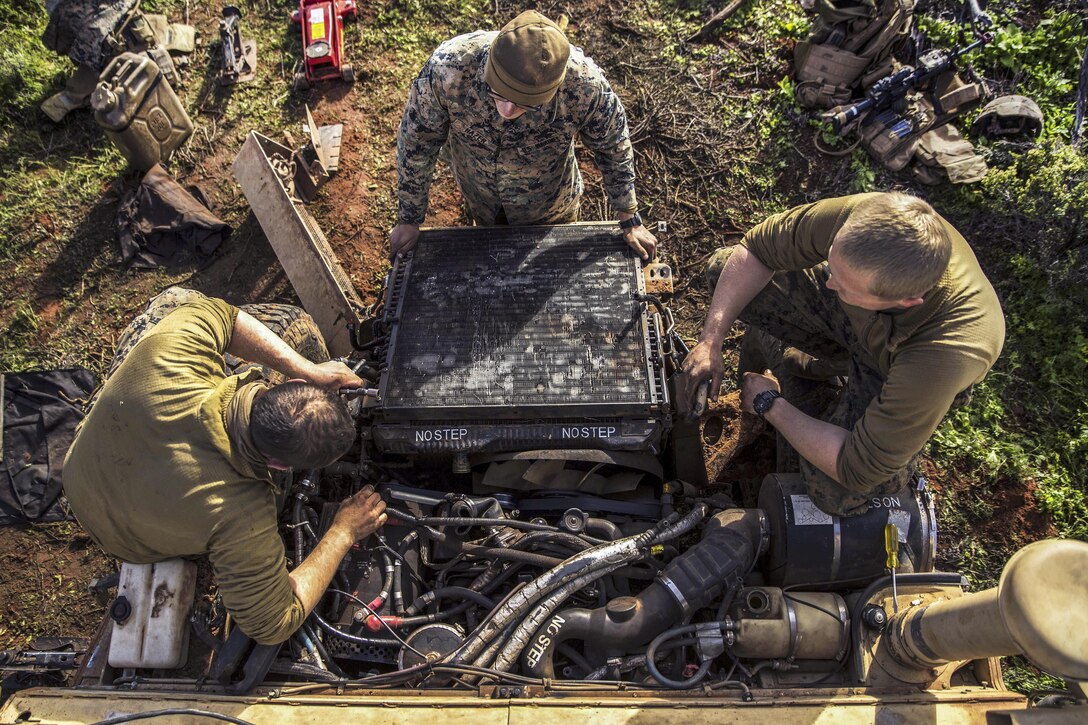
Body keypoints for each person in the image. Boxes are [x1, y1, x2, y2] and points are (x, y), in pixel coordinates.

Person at [63, 289, 387, 645]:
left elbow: (226, 316)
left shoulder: (170, 353)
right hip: (124, 539)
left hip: (80, 473)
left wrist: (306, 367)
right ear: (280, 466)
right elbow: (273, 623)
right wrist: (343, 531)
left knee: (177, 298)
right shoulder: (241, 517)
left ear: (291, 385)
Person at [678, 193, 1005, 516]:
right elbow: (757, 250)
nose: (829, 283)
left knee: (833, 490)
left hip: (898, 371)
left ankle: (863, 420)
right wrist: (711, 340)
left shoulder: (940, 357)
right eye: (831, 264)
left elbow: (857, 467)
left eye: (845, 285)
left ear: (905, 302)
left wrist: (770, 405)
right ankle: (825, 366)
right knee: (726, 270)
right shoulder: (867, 219)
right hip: (863, 324)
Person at [390, 10, 657, 260]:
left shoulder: (585, 86)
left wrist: (629, 217)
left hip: (550, 210)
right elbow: (417, 143)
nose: (507, 110)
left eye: (525, 104)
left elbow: (613, 145)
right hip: (479, 195)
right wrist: (409, 219)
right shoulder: (449, 69)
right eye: (499, 94)